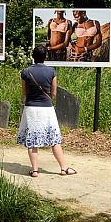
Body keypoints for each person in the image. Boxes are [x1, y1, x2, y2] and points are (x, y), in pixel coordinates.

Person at [17, 45, 77, 177]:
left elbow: (24, 93)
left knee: (32, 139)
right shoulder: (51, 71)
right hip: (47, 108)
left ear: (33, 56)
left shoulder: (26, 72)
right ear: (46, 57)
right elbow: (53, 92)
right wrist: (48, 99)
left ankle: (34, 170)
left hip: (31, 108)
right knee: (54, 138)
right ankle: (64, 168)